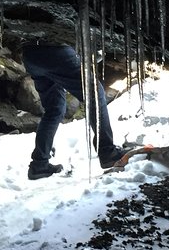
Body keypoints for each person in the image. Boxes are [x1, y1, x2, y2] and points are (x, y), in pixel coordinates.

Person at [21, 40, 128, 180]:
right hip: (54, 49)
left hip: (30, 55)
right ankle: (107, 152)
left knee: (54, 109)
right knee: (95, 94)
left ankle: (39, 165)